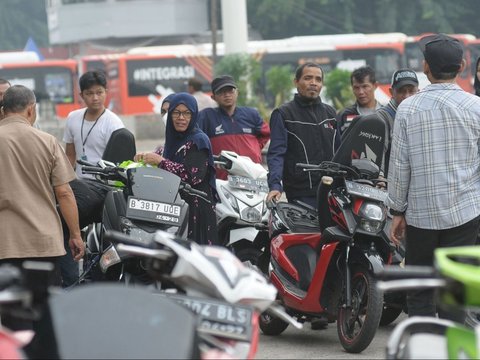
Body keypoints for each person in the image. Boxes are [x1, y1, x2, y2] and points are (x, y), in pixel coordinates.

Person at [387, 34, 480, 322]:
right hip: (465, 214)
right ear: (462, 65)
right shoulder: (476, 107)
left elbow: (400, 166)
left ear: (425, 67)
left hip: (420, 216)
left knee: (421, 291)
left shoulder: (407, 109)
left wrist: (397, 210)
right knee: (454, 290)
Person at [0, 85, 85, 306]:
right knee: (44, 310)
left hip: (4, 244)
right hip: (43, 243)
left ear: (3, 110)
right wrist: (75, 235)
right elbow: (64, 193)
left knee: (9, 314)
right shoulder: (47, 141)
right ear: (31, 110)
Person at [134, 93, 218, 245]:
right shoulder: (172, 139)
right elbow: (163, 154)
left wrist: (161, 162)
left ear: (194, 115)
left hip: (196, 210)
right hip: (175, 208)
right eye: (176, 112)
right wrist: (145, 157)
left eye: (187, 113)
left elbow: (192, 176)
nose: (181, 117)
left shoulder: (199, 140)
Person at [266, 62, 339, 209]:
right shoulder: (283, 114)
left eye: (318, 79)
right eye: (308, 78)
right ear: (296, 82)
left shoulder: (331, 114)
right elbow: (276, 154)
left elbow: (340, 151)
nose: (313, 83)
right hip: (301, 194)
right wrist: (275, 185)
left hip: (334, 191)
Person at [344, 68, 419, 176]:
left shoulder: (420, 116)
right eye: (401, 91)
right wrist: (380, 177)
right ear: (391, 92)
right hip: (389, 183)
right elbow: (378, 152)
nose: (406, 96)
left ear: (418, 91)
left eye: (411, 91)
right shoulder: (382, 117)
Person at [198, 75, 270, 180]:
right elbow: (196, 141)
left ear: (237, 92)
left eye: (230, 91)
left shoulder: (251, 114)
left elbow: (266, 133)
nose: (227, 95)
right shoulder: (206, 116)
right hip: (223, 180)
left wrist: (254, 149)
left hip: (252, 177)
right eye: (221, 92)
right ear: (213, 97)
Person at [63, 70, 124, 178]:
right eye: (89, 93)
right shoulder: (72, 118)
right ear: (82, 95)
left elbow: (118, 162)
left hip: (103, 184)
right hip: (79, 182)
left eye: (99, 92)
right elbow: (70, 155)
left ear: (106, 92)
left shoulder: (114, 123)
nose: (95, 98)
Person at [337, 65, 382, 133]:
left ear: (375, 86)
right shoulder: (345, 115)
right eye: (356, 88)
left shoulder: (386, 114)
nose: (361, 92)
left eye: (365, 86)